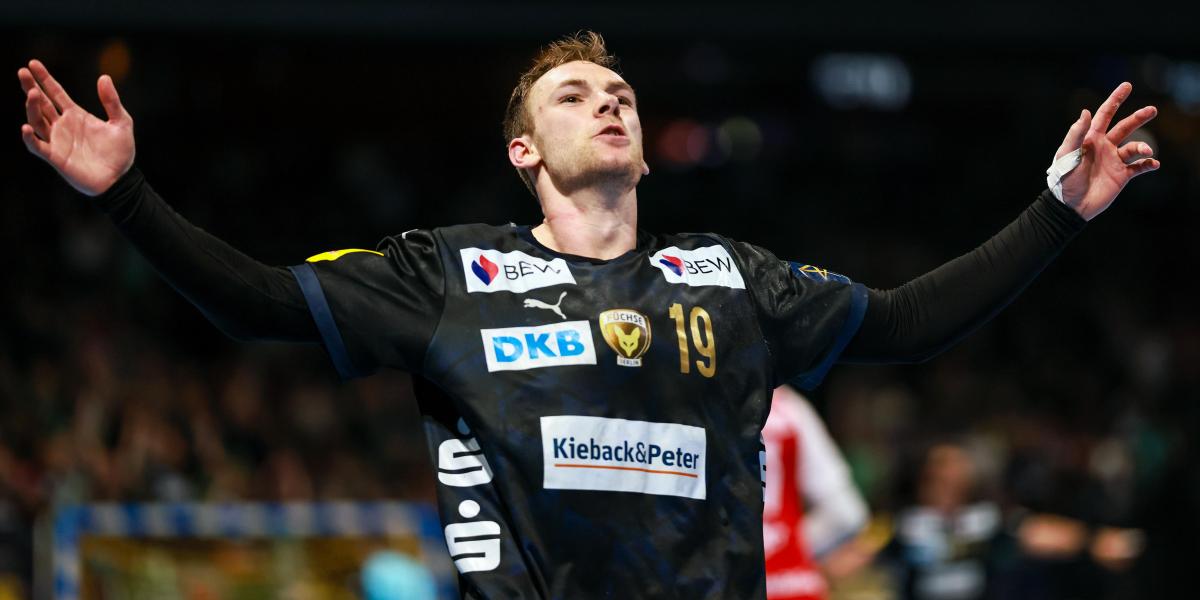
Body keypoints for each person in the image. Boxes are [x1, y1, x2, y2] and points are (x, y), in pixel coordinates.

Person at [18, 30, 1158, 599]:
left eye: (620, 93)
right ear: (526, 152)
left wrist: (1058, 212)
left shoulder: (732, 276)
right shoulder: (445, 277)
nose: (609, 100)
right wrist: (123, 198)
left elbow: (908, 321)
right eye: (575, 94)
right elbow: (258, 304)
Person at [762, 385, 869, 600]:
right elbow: (847, 513)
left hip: (728, 583)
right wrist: (790, 545)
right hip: (794, 583)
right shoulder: (788, 407)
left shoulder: (700, 402)